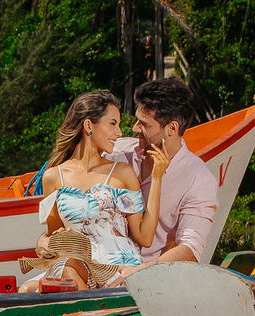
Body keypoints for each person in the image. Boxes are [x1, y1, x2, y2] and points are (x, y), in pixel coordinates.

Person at [19, 91, 169, 292]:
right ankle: (93, 306)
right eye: (113, 124)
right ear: (89, 126)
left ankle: (91, 305)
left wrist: (157, 178)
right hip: (77, 264)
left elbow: (145, 237)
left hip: (117, 266)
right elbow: (54, 234)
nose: (119, 133)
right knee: (29, 288)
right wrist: (49, 242)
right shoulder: (53, 177)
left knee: (54, 281)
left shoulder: (122, 173)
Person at [109, 77, 219, 279]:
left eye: (144, 124)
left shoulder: (199, 179)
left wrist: (140, 272)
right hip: (98, 268)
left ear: (172, 128)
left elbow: (190, 248)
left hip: (147, 279)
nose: (135, 128)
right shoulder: (117, 152)